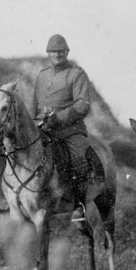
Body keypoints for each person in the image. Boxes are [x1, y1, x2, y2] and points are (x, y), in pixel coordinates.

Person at [30, 34, 94, 222]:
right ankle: (17, 199)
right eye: (53, 51)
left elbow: (82, 105)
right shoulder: (42, 75)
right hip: (43, 129)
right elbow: (33, 105)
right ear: (48, 53)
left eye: (60, 51)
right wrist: (32, 123)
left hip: (69, 129)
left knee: (78, 158)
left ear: (67, 52)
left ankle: (79, 205)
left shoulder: (76, 74)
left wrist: (58, 118)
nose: (57, 54)